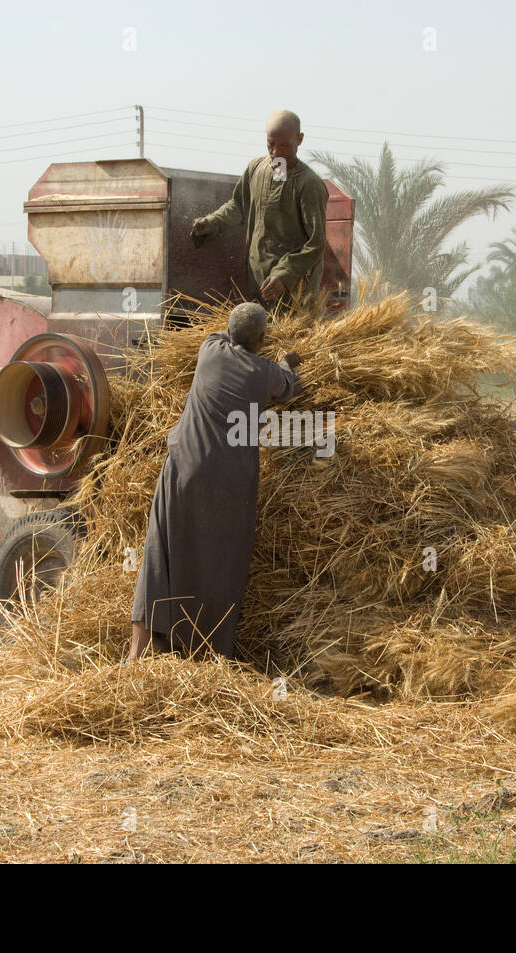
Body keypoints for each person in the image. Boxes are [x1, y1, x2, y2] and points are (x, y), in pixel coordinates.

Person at [128, 302, 303, 662]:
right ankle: (207, 653)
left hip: (183, 468)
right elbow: (289, 387)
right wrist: (289, 360)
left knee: (159, 554)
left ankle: (136, 653)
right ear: (264, 338)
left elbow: (230, 336)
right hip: (228, 483)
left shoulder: (209, 350)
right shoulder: (264, 372)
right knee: (220, 563)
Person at [191, 109, 328, 306]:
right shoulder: (256, 169)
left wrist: (285, 275)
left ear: (300, 139)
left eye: (284, 145)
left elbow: (316, 243)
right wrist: (213, 221)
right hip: (258, 285)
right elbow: (238, 206)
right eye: (271, 144)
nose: (276, 152)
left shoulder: (309, 184)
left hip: (295, 295)